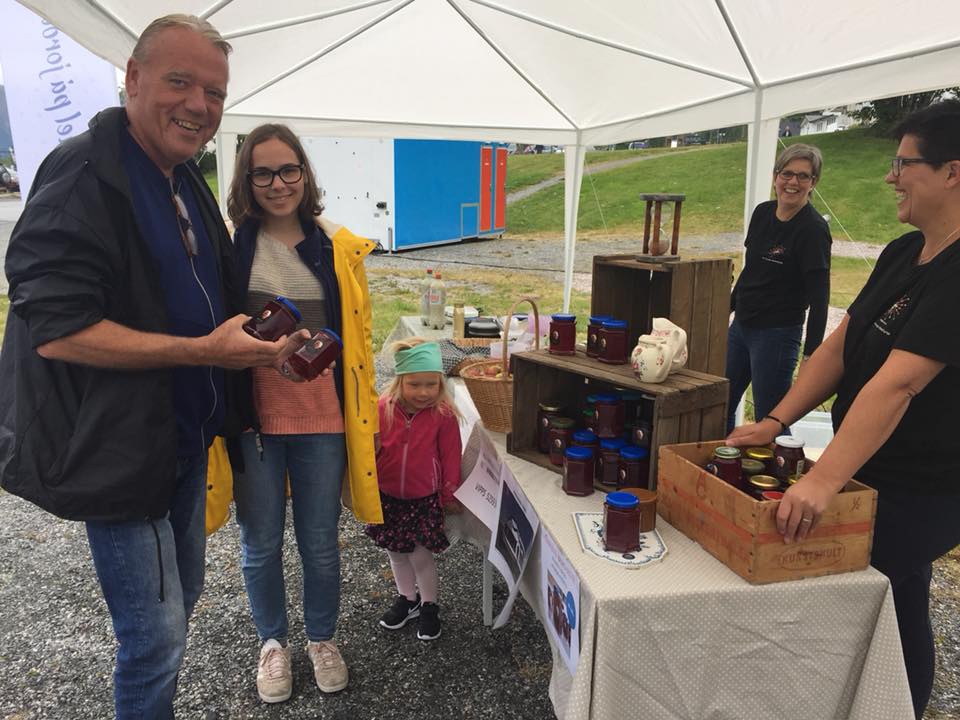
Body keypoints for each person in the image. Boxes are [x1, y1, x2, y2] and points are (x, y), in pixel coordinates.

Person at [0, 15, 306, 719]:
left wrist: (262, 353)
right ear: (132, 78)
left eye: (214, 91)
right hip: (119, 451)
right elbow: (56, 330)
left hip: (182, 444)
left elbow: (212, 300)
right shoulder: (85, 176)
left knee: (183, 601)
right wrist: (203, 353)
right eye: (180, 81)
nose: (199, 104)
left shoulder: (181, 178)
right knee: (154, 636)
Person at [726, 100, 960, 719]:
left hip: (929, 483)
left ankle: (877, 701)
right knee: (897, 592)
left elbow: (899, 385)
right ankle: (896, 702)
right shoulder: (905, 251)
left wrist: (824, 479)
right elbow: (840, 345)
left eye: (903, 163)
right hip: (876, 466)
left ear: (951, 172)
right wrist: (776, 420)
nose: (890, 176)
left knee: (869, 585)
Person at [225, 124, 381, 702]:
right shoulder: (230, 246)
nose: (277, 183)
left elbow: (359, 338)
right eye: (261, 172)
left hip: (324, 420)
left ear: (305, 173)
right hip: (255, 421)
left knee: (319, 540)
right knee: (260, 541)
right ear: (247, 179)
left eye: (288, 169)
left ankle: (321, 637)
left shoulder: (335, 245)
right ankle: (272, 643)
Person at [725, 143, 832, 432]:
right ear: (775, 177)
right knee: (718, 403)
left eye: (803, 176)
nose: (793, 182)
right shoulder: (762, 213)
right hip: (741, 327)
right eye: (787, 174)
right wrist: (727, 311)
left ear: (813, 183)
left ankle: (780, 472)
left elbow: (820, 298)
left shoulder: (813, 230)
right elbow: (751, 270)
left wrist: (811, 355)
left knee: (769, 419)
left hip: (776, 335)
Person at [366, 339, 463, 641]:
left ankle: (430, 604)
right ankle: (407, 599)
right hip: (389, 496)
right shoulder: (382, 409)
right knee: (396, 552)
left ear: (440, 383)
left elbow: (451, 456)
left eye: (431, 384)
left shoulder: (443, 415)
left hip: (423, 499)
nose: (424, 392)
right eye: (415, 384)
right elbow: (370, 451)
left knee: (421, 555)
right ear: (400, 381)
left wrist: (449, 494)